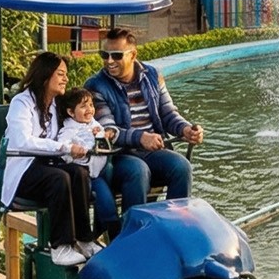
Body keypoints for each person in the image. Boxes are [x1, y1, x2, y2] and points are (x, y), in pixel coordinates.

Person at [87, 28, 204, 217]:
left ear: (133, 54)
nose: (109, 61)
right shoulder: (95, 85)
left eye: (116, 55)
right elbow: (107, 130)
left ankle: (172, 225)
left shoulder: (152, 75)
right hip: (116, 156)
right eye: (104, 55)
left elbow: (167, 114)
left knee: (181, 166)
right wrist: (140, 137)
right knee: (137, 170)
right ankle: (133, 234)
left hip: (151, 152)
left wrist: (185, 129)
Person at [0, 51, 99, 266]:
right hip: (21, 168)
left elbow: (80, 119)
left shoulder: (55, 105)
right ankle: (61, 247)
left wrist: (96, 134)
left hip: (45, 164)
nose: (66, 79)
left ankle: (84, 239)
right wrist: (65, 147)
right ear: (45, 76)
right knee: (58, 178)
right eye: (60, 74)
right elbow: (22, 141)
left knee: (78, 173)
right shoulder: (21, 103)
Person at [58, 87, 108, 182]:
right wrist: (72, 150)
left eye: (91, 105)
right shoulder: (69, 130)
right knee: (103, 195)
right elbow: (62, 147)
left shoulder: (94, 124)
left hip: (100, 168)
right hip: (85, 172)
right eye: (83, 106)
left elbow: (103, 137)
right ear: (71, 112)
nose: (89, 109)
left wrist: (100, 133)